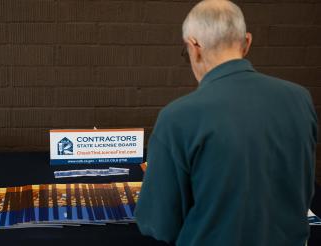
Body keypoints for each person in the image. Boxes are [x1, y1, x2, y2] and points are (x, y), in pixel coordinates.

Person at [134, 1, 317, 246]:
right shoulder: (300, 98)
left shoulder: (178, 116)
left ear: (194, 47)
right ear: (247, 43)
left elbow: (158, 223)